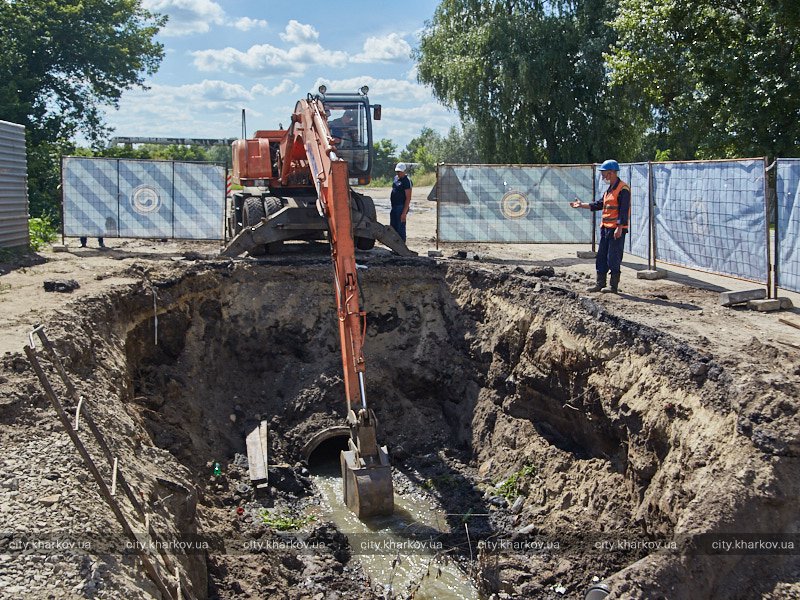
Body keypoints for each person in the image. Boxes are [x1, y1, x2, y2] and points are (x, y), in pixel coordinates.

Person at [570, 159, 630, 293]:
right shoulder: (609, 190)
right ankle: (600, 283)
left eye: (604, 173)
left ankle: (613, 286)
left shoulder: (623, 189)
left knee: (613, 257)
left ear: (612, 173)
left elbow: (623, 210)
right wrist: (582, 205)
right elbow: (599, 204)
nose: (603, 176)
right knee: (602, 256)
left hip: (616, 229)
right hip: (606, 228)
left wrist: (619, 227)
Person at [390, 163, 412, 242]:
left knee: (400, 228)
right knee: (393, 227)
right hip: (394, 206)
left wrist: (404, 213)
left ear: (404, 171)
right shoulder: (396, 178)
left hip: (401, 207)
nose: (398, 173)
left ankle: (401, 247)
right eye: (397, 172)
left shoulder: (407, 181)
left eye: (399, 172)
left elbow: (408, 198)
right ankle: (394, 246)